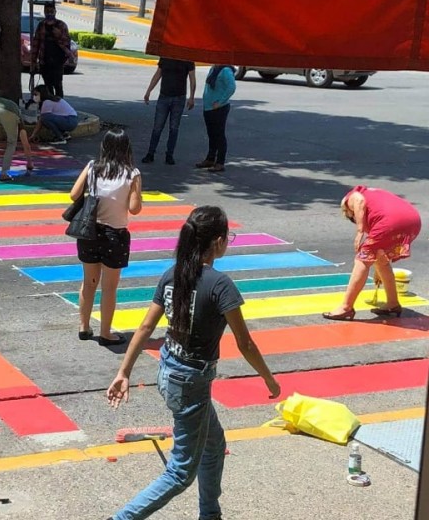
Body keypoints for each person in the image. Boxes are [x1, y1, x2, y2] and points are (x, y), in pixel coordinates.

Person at [106, 205, 281, 520]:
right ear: (216, 241)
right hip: (190, 383)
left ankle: (210, 514)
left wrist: (124, 371)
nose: (229, 241)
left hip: (169, 371)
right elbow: (245, 342)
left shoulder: (173, 274)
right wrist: (269, 379)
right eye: (229, 237)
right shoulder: (219, 284)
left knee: (213, 445)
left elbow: (146, 328)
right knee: (180, 473)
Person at [70, 129, 142, 346]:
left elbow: (74, 195)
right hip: (115, 234)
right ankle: (105, 333)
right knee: (109, 288)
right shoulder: (132, 174)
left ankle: (84, 327)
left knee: (89, 282)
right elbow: (134, 208)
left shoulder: (92, 167)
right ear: (126, 148)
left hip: (89, 231)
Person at [322, 186, 422, 320]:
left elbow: (358, 201)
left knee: (362, 259)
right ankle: (393, 303)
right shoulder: (373, 194)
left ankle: (346, 307)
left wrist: (359, 231)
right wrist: (377, 267)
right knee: (381, 261)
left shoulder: (351, 197)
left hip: (391, 222)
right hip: (413, 221)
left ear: (348, 211)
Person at [141, 57, 196, 165]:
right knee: (157, 127)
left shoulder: (188, 58)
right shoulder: (165, 56)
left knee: (174, 128)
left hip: (179, 97)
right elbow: (158, 74)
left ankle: (169, 155)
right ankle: (150, 153)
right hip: (164, 96)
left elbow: (192, 78)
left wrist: (192, 97)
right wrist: (148, 91)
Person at [196, 65, 237, 173]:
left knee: (219, 135)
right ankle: (210, 158)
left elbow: (231, 87)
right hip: (208, 107)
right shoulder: (214, 68)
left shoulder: (225, 70)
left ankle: (220, 162)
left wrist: (220, 102)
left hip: (219, 108)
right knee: (211, 134)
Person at [30, 2, 72, 98]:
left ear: (55, 12)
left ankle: (59, 105)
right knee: (48, 86)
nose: (49, 13)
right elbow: (36, 44)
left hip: (58, 62)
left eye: (51, 11)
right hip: (45, 61)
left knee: (58, 85)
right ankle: (50, 104)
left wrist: (59, 35)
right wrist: (33, 61)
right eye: (47, 11)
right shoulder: (41, 26)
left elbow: (67, 42)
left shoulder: (61, 25)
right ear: (44, 12)